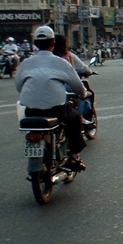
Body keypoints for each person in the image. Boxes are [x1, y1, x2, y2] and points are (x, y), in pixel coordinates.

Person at [15, 26, 91, 171]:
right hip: (56, 109)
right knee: (75, 119)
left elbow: (19, 86)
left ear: (35, 43)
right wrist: (83, 94)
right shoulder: (61, 63)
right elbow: (77, 86)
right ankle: (74, 156)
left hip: (31, 110)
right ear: (53, 43)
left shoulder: (26, 63)